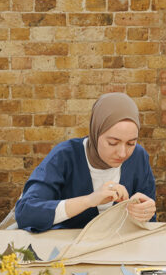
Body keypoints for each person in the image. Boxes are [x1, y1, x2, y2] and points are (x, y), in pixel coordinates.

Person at [14, 92, 157, 232]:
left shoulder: (139, 157)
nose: (122, 153)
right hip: (66, 250)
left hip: (120, 249)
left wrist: (144, 212)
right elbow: (25, 212)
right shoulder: (65, 156)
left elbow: (148, 225)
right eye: (113, 143)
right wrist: (88, 200)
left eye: (131, 143)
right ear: (95, 132)